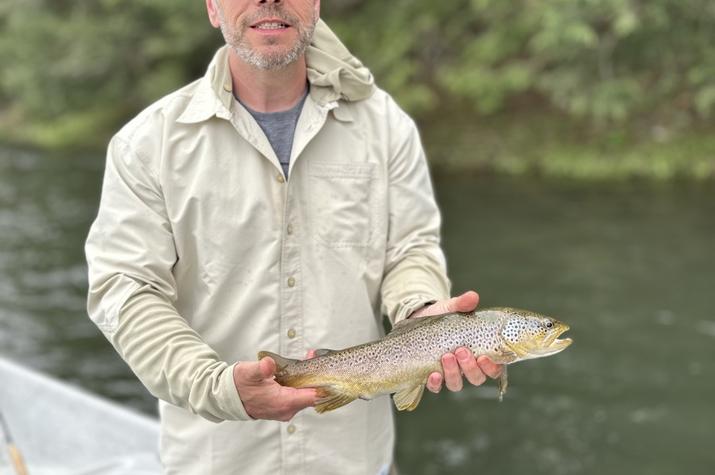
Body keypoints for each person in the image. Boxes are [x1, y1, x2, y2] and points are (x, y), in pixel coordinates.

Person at [85, 0, 503, 473]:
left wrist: (421, 313)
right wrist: (216, 385)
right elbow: (126, 291)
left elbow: (409, 248)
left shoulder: (386, 126)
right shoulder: (145, 145)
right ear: (211, 7)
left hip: (354, 460)